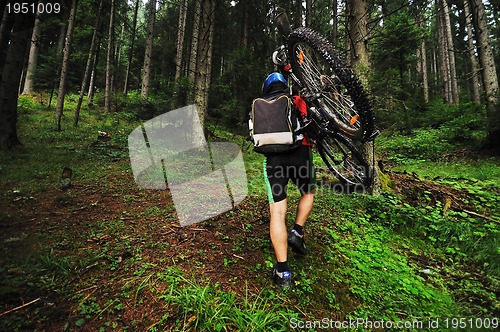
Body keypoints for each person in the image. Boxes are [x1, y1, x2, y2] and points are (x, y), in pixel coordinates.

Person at [260, 72, 316, 289]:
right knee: (308, 192)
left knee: (277, 212)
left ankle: (283, 271)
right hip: (301, 154)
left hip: (274, 160)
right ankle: (297, 231)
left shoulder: (260, 105)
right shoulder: (297, 100)